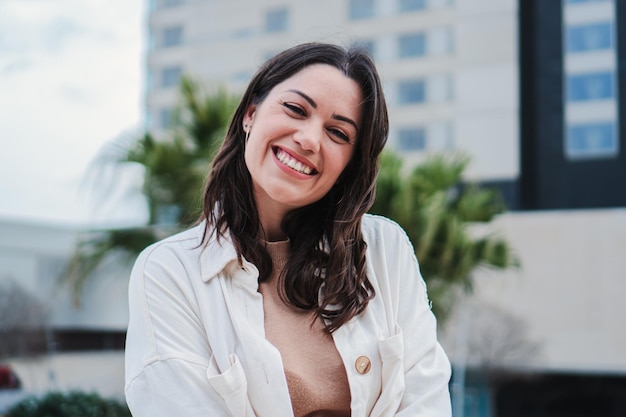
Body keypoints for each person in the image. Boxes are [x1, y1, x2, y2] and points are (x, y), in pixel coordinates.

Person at [125, 42, 451, 417]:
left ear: (349, 163)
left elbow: (426, 401)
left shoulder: (385, 250)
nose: (310, 140)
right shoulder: (169, 272)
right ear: (250, 113)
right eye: (296, 109)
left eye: (338, 133)